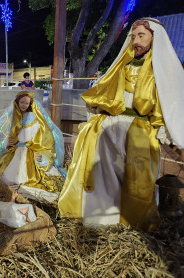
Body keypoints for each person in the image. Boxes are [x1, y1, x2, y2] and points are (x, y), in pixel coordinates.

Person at [58, 18, 184, 232]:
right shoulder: (123, 62)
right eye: (133, 36)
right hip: (111, 125)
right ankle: (102, 218)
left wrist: (168, 133)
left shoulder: (162, 69)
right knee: (103, 172)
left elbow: (170, 100)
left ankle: (129, 220)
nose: (135, 40)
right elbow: (105, 87)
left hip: (139, 128)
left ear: (154, 38)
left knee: (135, 177)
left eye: (141, 35)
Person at [0, 91, 66, 203]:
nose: (23, 105)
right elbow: (0, 134)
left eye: (26, 103)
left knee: (28, 178)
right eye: (21, 102)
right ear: (17, 102)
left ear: (30, 104)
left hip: (29, 151)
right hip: (14, 151)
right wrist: (5, 142)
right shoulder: (11, 117)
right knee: (5, 176)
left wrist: (41, 153)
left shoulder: (34, 118)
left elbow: (44, 139)